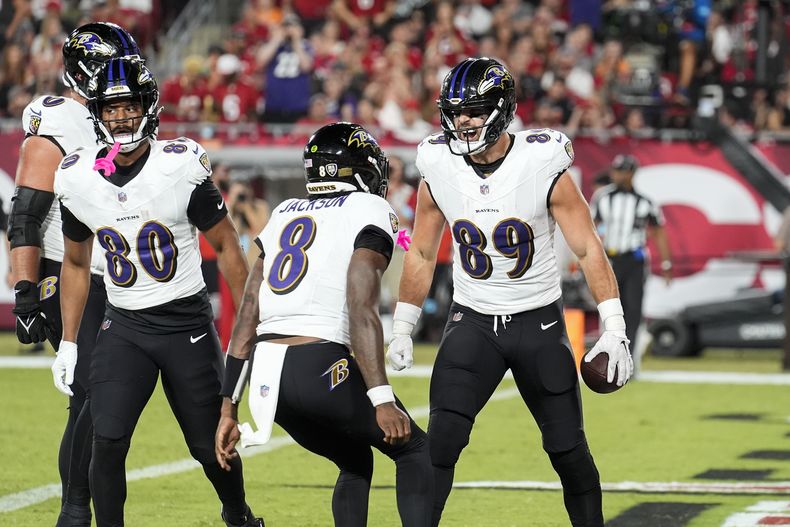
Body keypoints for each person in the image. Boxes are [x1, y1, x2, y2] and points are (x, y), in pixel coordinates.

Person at [385, 57, 633, 527]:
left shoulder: (541, 161)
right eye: (456, 111)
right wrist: (402, 326)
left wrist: (615, 326)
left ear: (502, 109)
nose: (463, 121)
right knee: (440, 445)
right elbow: (419, 252)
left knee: (566, 449)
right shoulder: (438, 164)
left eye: (474, 111)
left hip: (537, 323)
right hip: (472, 321)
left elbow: (587, 246)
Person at [52, 57, 263, 527]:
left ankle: (238, 515)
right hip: (123, 324)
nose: (121, 117)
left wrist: (254, 323)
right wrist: (69, 340)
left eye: (129, 106)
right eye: (110, 109)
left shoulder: (179, 164)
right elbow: (75, 261)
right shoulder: (75, 175)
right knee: (106, 437)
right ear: (97, 115)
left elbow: (227, 244)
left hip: (185, 322)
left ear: (148, 107)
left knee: (207, 445)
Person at [215, 122, 433, 527]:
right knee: (414, 449)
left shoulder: (283, 211)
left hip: (267, 378)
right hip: (318, 362)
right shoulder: (370, 209)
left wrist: (228, 404)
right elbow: (361, 302)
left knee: (354, 459)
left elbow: (248, 309)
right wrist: (382, 397)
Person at [8, 22, 143, 526]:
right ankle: (74, 512)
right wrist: (24, 293)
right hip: (62, 271)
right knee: (93, 390)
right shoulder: (60, 120)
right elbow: (24, 215)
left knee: (107, 398)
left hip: (109, 273)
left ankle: (91, 508)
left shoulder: (117, 116)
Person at [590, 154, 673, 363]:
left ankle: (629, 359)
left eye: (621, 171)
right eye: (615, 170)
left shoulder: (645, 202)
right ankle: (608, 356)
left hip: (634, 261)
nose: (616, 174)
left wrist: (666, 262)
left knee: (633, 310)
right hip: (610, 259)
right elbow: (589, 227)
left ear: (631, 174)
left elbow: (658, 231)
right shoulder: (603, 198)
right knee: (608, 308)